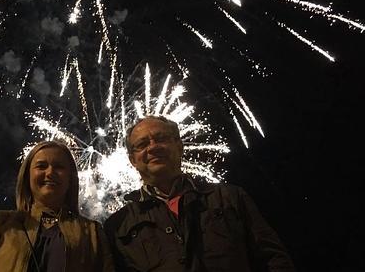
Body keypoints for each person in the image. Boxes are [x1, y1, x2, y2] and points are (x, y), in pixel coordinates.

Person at [104, 116, 295, 271]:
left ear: (179, 146)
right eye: (142, 144)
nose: (153, 147)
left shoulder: (229, 197)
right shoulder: (118, 226)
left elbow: (274, 259)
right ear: (132, 160)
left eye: (161, 138)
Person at [0, 140, 114, 272]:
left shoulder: (92, 232)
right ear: (27, 176)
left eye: (59, 167)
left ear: (70, 178)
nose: (50, 172)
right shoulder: (2, 223)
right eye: (41, 166)